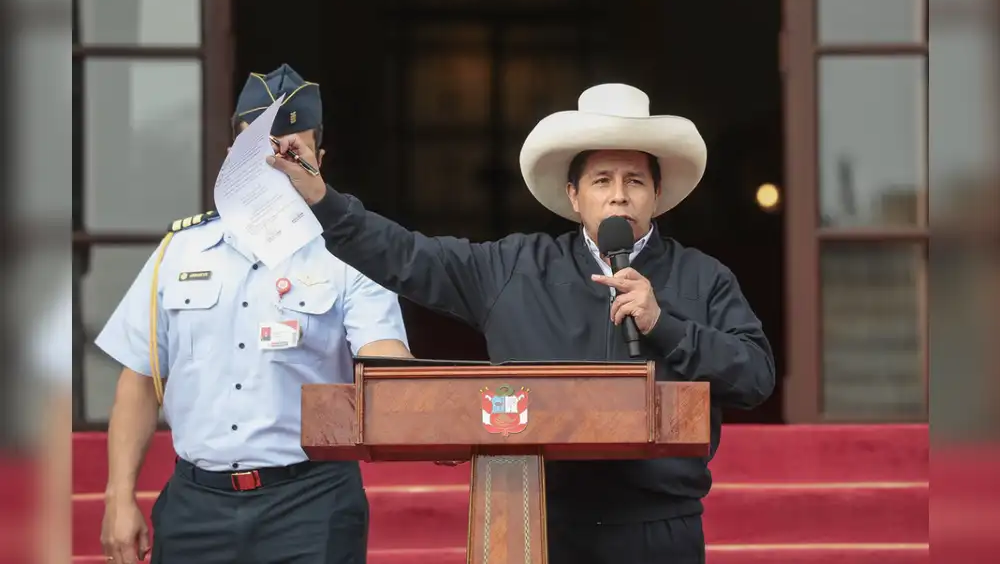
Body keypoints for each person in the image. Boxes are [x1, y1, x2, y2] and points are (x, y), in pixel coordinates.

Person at [268, 82, 776, 563]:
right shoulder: (514, 268)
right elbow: (407, 256)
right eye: (602, 181)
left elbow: (755, 376)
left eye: (635, 181)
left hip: (659, 527)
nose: (619, 195)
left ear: (657, 195)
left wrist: (664, 323)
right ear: (574, 195)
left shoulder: (703, 278)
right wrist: (320, 197)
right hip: (538, 517)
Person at [97, 63, 412, 564]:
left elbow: (383, 360)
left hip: (311, 503)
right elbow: (138, 379)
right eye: (256, 149)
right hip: (197, 504)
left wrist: (395, 382)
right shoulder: (179, 252)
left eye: (293, 151)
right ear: (231, 157)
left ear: (319, 160)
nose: (275, 163)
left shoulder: (352, 254)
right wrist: (118, 498)